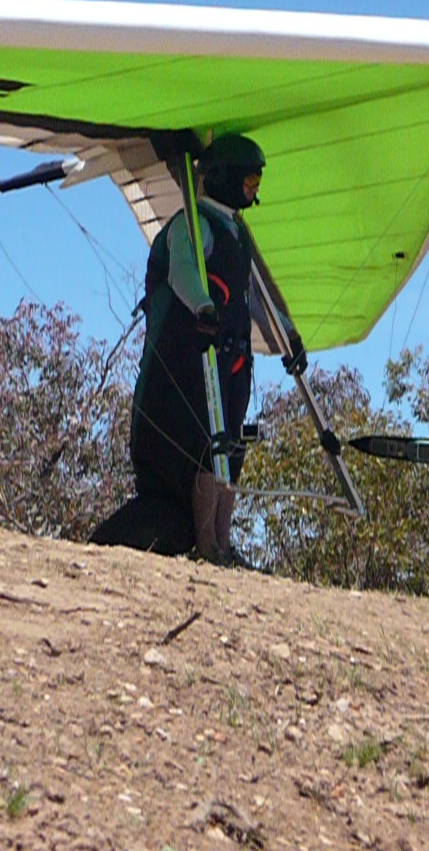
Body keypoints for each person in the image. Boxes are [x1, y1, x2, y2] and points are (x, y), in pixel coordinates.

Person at [90, 133, 305, 564]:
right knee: (206, 446)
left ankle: (223, 543)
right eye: (248, 181)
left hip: (230, 362)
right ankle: (206, 545)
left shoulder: (236, 232)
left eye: (257, 182)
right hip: (189, 363)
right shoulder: (194, 224)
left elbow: (255, 297)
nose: (253, 190)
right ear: (223, 178)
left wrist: (288, 337)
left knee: (229, 447)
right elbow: (183, 270)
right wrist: (203, 307)